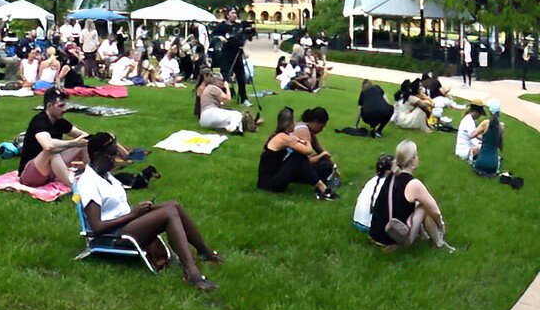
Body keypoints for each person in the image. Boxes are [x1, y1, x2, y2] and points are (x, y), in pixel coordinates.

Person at [77, 133, 224, 291]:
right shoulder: (89, 183)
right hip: (114, 235)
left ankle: (204, 251)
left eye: (116, 154)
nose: (115, 159)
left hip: (127, 222)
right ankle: (191, 272)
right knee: (168, 213)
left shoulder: (107, 176)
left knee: (174, 205)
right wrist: (133, 215)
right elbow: (97, 227)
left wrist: (137, 212)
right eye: (111, 155)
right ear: (97, 155)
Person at [369, 140, 451, 251]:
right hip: (393, 237)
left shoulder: (391, 176)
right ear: (412, 161)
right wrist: (441, 226)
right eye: (416, 155)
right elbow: (435, 211)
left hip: (376, 234)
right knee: (424, 207)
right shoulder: (414, 184)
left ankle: (424, 236)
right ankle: (439, 243)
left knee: (414, 203)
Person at [256, 108, 339, 199]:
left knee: (300, 158)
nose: (295, 124)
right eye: (293, 121)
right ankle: (322, 187)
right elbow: (308, 150)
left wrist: (298, 140)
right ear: (289, 123)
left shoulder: (281, 135)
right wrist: (305, 141)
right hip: (270, 185)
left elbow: (317, 149)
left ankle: (322, 187)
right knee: (299, 156)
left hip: (267, 182)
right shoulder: (283, 137)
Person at [19, 89, 89, 187]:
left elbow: (84, 135)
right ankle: (73, 187)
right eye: (60, 106)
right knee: (52, 152)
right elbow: (48, 146)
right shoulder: (39, 121)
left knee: (84, 144)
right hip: (31, 174)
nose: (64, 109)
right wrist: (73, 143)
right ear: (49, 106)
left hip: (50, 169)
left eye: (65, 105)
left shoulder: (59, 121)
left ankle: (94, 175)